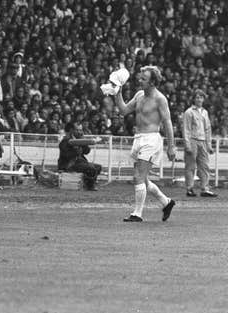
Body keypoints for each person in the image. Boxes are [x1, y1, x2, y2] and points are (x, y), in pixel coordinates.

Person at [113, 66, 176, 222]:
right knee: (143, 179)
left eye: (144, 79)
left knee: (138, 177)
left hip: (152, 140)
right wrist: (117, 92)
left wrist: (171, 146)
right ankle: (166, 202)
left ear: (153, 82)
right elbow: (124, 110)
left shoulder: (160, 99)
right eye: (140, 77)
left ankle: (137, 214)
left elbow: (168, 122)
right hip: (138, 138)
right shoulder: (139, 95)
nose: (139, 81)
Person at [182, 89, 217, 197]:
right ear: (193, 99)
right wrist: (187, 144)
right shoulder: (189, 112)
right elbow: (186, 129)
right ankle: (189, 188)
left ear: (203, 99)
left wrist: (209, 145)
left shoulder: (205, 112)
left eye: (201, 97)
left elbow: (208, 129)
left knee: (204, 166)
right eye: (197, 97)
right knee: (190, 166)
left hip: (203, 141)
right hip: (192, 140)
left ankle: (204, 188)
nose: (199, 99)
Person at [57, 122, 102, 191]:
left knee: (98, 167)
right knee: (91, 168)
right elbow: (65, 155)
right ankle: (90, 186)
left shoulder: (79, 139)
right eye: (77, 130)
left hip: (79, 162)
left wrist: (83, 142)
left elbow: (87, 151)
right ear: (72, 130)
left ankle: (87, 182)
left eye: (81, 130)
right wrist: (76, 152)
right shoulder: (66, 140)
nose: (79, 132)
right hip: (69, 164)